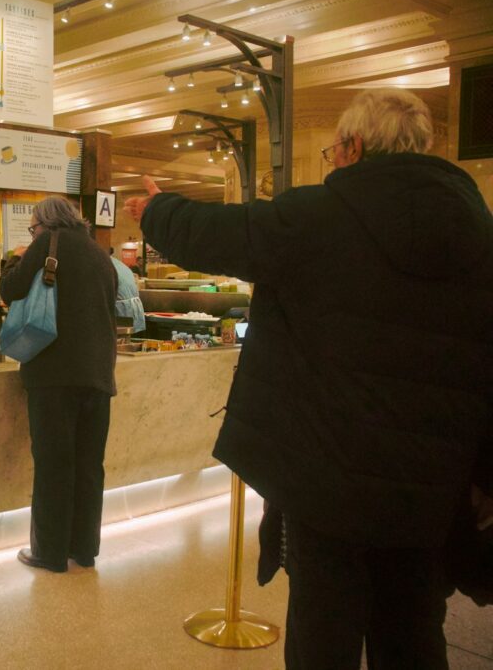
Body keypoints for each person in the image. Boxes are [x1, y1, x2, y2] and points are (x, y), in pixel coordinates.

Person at [124, 88, 493, 669]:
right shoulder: (479, 230)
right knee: (415, 630)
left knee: (326, 628)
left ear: (352, 147)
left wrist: (159, 211)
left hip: (329, 476)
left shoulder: (321, 215)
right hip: (430, 487)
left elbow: (225, 232)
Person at [0, 196, 117, 573]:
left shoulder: (47, 244)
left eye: (33, 227)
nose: (33, 233)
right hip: (98, 374)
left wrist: (14, 258)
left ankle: (49, 552)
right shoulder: (100, 255)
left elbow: (10, 290)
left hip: (54, 374)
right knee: (88, 465)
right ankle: (84, 549)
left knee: (53, 463)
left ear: (44, 225)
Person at [110, 256, 146, 333]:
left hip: (121, 311)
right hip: (131, 308)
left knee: (122, 338)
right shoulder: (118, 264)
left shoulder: (106, 264)